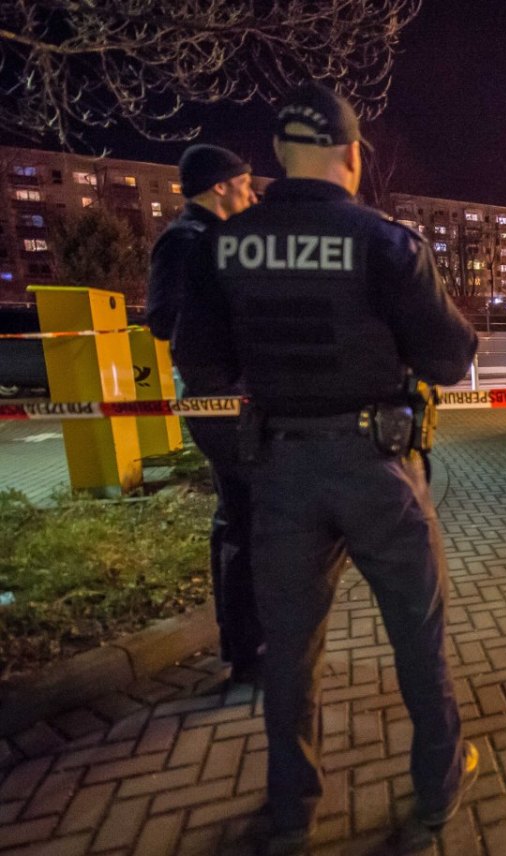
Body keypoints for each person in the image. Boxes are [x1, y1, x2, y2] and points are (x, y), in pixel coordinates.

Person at [173, 82, 479, 855]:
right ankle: (439, 790)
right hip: (376, 468)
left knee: (290, 650)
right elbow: (451, 355)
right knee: (418, 633)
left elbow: (199, 364)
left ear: (278, 156)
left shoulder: (223, 245)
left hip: (278, 471)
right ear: (350, 156)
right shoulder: (384, 241)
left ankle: (292, 811)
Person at [146, 144, 262, 683]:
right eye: (245, 183)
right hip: (220, 403)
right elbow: (162, 319)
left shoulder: (212, 240)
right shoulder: (186, 242)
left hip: (232, 397)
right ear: (220, 186)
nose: (252, 192)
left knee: (243, 516)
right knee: (242, 520)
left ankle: (247, 642)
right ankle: (246, 652)